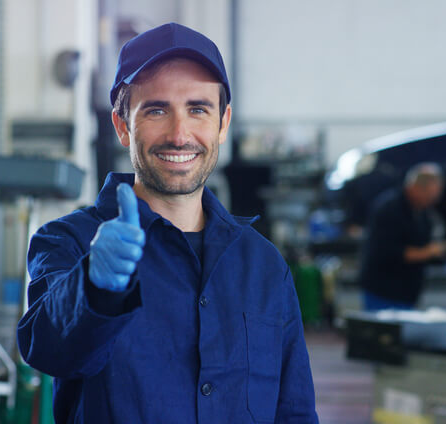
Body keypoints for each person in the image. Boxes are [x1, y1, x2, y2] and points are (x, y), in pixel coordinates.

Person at [16, 23, 318, 423]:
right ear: (123, 126)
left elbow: (293, 411)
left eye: (198, 109)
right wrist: (93, 287)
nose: (180, 134)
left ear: (223, 123)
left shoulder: (262, 264)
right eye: (156, 110)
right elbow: (47, 350)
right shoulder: (68, 243)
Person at [358, 162, 446, 310]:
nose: (434, 201)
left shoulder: (423, 214)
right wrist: (430, 251)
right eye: (430, 196)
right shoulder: (389, 210)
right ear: (415, 188)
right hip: (382, 291)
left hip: (408, 293)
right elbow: (387, 252)